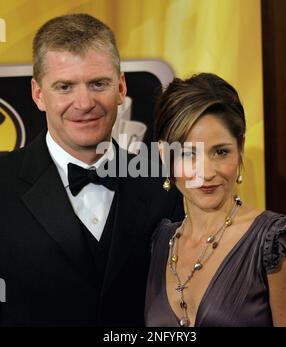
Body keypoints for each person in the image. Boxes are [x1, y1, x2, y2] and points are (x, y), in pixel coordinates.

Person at [0, 13, 184, 327]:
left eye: (98, 83)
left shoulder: (165, 180)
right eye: (65, 87)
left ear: (121, 86)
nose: (84, 103)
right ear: (38, 94)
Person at [145, 73, 286, 327]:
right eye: (188, 154)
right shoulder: (160, 242)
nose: (206, 173)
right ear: (164, 156)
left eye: (220, 152)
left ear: (240, 149)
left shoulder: (277, 243)